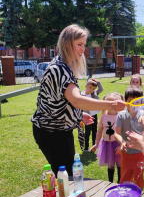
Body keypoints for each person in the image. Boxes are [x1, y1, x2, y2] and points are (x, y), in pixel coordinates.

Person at [31, 24, 126, 176]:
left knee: (69, 174)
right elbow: (76, 100)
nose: (83, 49)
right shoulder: (58, 69)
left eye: (84, 44)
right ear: (67, 44)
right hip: (50, 132)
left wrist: (78, 115)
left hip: (60, 130)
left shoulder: (65, 66)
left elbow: (61, 101)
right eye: (79, 45)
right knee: (66, 175)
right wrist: (111, 104)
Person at [114, 85, 144, 189]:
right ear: (126, 102)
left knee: (138, 177)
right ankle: (124, 194)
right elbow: (116, 133)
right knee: (125, 176)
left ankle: (138, 194)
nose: (134, 104)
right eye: (131, 101)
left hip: (140, 153)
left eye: (137, 101)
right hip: (126, 153)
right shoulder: (121, 115)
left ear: (141, 102)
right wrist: (123, 142)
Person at [90, 92, 124, 183]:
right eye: (108, 104)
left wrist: (122, 145)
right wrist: (96, 143)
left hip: (119, 144)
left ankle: (119, 183)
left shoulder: (121, 116)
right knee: (110, 165)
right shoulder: (103, 116)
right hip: (108, 145)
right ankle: (110, 183)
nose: (111, 106)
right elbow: (99, 131)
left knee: (120, 165)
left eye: (113, 104)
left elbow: (124, 132)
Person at [81, 78, 104, 152]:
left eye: (93, 88)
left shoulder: (94, 93)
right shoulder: (81, 95)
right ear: (86, 86)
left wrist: (98, 82)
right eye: (90, 87)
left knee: (95, 130)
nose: (91, 89)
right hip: (87, 116)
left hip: (94, 115)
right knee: (87, 132)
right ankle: (86, 147)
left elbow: (101, 89)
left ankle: (94, 145)